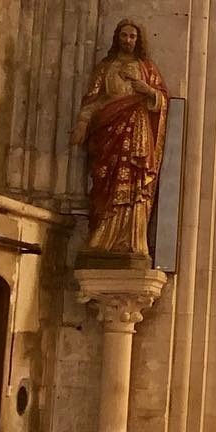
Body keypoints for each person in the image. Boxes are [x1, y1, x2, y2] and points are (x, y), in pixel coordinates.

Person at [71, 19, 169, 257]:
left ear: (138, 40)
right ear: (117, 38)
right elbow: (92, 100)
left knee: (135, 180)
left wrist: (145, 90)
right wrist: (83, 123)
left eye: (132, 37)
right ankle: (103, 238)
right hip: (109, 131)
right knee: (108, 181)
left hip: (137, 129)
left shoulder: (146, 68)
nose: (128, 40)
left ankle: (134, 241)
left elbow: (162, 101)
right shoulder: (105, 68)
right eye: (124, 36)